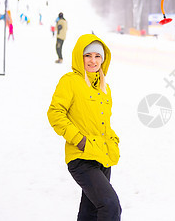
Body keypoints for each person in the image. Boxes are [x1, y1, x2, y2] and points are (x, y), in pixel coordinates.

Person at [48, 34, 121, 220]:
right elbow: (55, 113)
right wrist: (79, 140)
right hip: (81, 158)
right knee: (110, 205)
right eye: (88, 55)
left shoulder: (105, 88)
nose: (93, 60)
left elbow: (105, 124)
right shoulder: (70, 81)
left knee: (91, 212)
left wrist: (113, 141)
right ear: (79, 56)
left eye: (98, 56)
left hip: (102, 157)